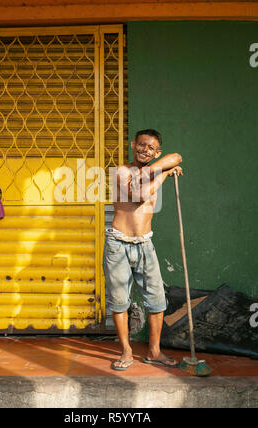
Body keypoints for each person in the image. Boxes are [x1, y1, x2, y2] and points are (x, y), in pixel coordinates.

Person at [103, 128, 183, 371]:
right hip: (118, 244)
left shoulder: (153, 166)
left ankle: (154, 352)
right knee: (119, 301)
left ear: (156, 152)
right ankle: (126, 351)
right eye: (141, 145)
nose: (145, 150)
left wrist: (161, 167)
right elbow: (138, 196)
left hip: (145, 244)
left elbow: (177, 156)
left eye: (151, 148)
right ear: (132, 144)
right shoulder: (122, 171)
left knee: (157, 300)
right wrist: (162, 173)